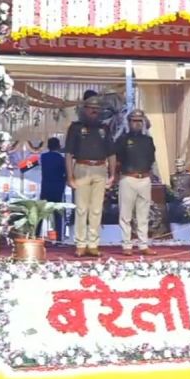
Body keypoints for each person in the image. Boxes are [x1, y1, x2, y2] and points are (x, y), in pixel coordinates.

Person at [64, 96, 116, 258]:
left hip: (100, 168)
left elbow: (111, 153)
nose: (94, 111)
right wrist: (70, 176)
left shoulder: (104, 129)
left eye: (97, 108)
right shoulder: (76, 128)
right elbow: (68, 154)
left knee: (96, 209)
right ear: (84, 110)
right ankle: (80, 244)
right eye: (91, 108)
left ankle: (93, 244)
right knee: (81, 209)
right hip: (82, 167)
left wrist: (112, 175)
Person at [114, 109, 157, 256]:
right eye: (134, 121)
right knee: (125, 214)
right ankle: (127, 245)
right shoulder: (122, 140)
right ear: (129, 122)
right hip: (128, 178)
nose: (137, 123)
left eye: (140, 121)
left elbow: (151, 159)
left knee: (143, 215)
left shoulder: (148, 140)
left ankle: (143, 244)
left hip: (144, 179)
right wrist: (115, 176)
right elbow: (117, 160)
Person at [39, 137, 67, 240]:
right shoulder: (62, 159)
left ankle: (36, 235)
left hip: (45, 188)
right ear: (59, 146)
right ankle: (59, 237)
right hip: (58, 189)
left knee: (40, 213)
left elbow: (24, 166)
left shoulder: (43, 157)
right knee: (58, 214)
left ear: (48, 146)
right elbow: (66, 174)